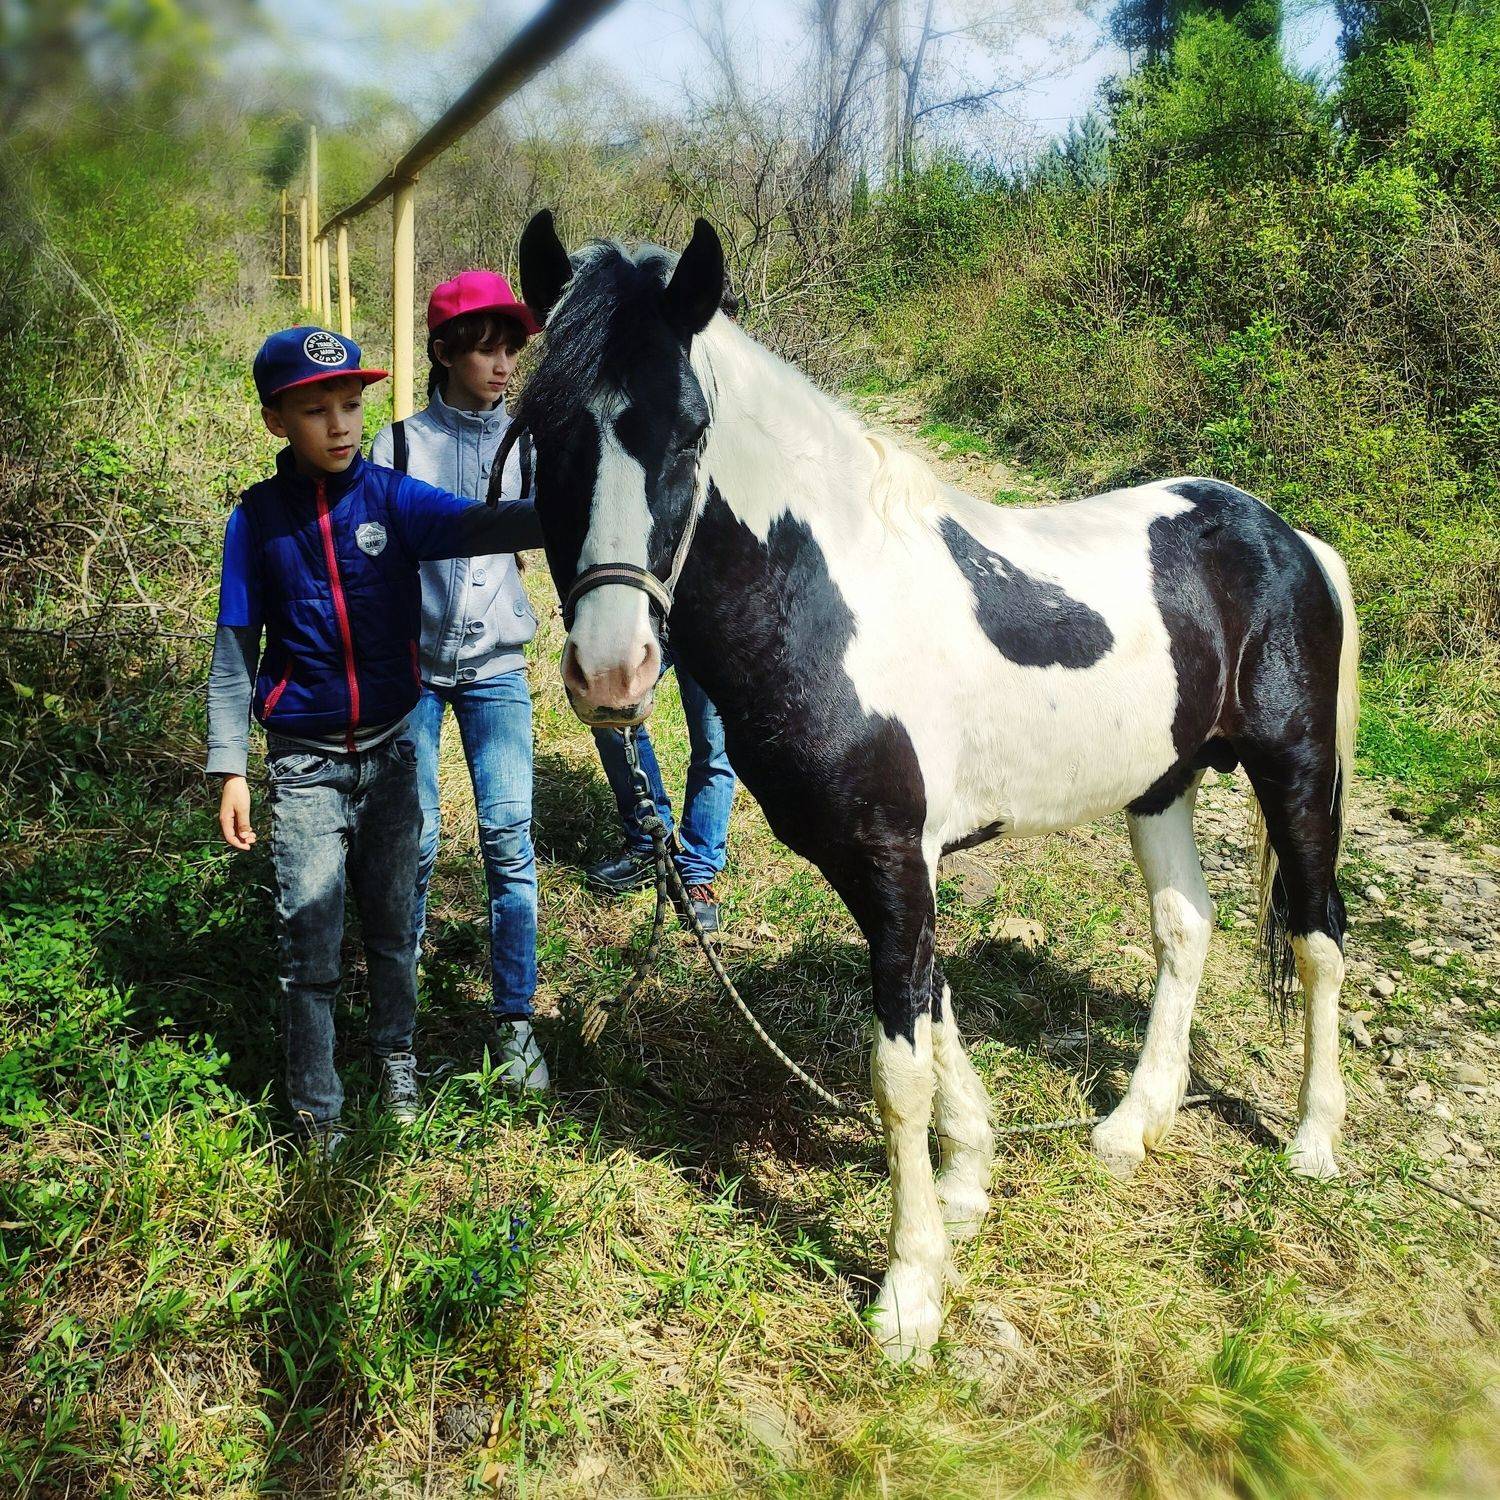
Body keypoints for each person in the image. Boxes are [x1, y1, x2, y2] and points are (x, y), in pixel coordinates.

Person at [206, 325, 543, 1160]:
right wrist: (229, 767)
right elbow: (233, 654)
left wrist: (588, 501)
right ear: (276, 420)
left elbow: (484, 525)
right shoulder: (256, 522)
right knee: (310, 940)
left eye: (352, 405)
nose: (341, 425)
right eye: (316, 410)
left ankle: (397, 1062)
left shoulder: (393, 499)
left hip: (393, 752)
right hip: (305, 764)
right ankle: (318, 1111)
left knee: (395, 929)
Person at [369, 271, 548, 1091]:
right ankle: (396, 1032)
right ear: (443, 352)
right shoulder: (398, 446)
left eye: (511, 348)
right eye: (485, 348)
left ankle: (516, 1023)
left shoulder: (530, 445)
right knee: (414, 842)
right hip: (412, 674)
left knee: (509, 840)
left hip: (498, 669)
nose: (503, 364)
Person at [587, 668, 736, 932]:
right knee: (611, 713)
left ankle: (698, 872)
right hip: (642, 637)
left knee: (713, 743)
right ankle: (650, 844)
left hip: (709, 640)